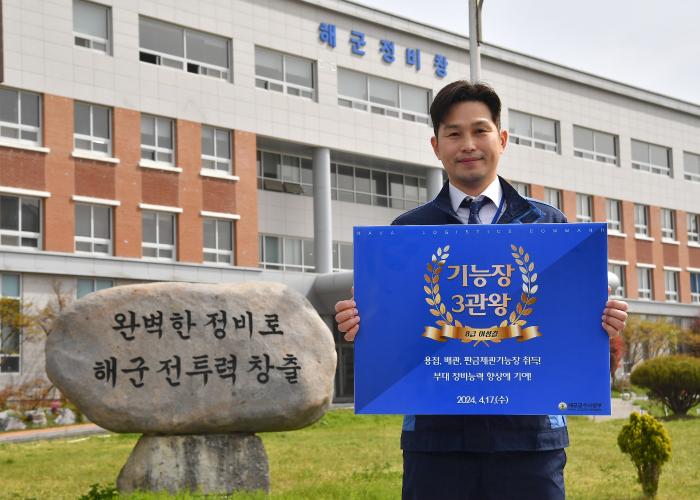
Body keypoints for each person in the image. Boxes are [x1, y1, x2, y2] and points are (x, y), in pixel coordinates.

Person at [334, 81, 629, 500]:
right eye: (454, 134)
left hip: (531, 442)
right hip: (437, 445)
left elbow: (568, 332)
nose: (468, 144)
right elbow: (397, 336)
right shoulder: (406, 234)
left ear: (502, 139)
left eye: (480, 130)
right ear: (436, 146)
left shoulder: (550, 226)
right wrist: (363, 323)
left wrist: (603, 321)